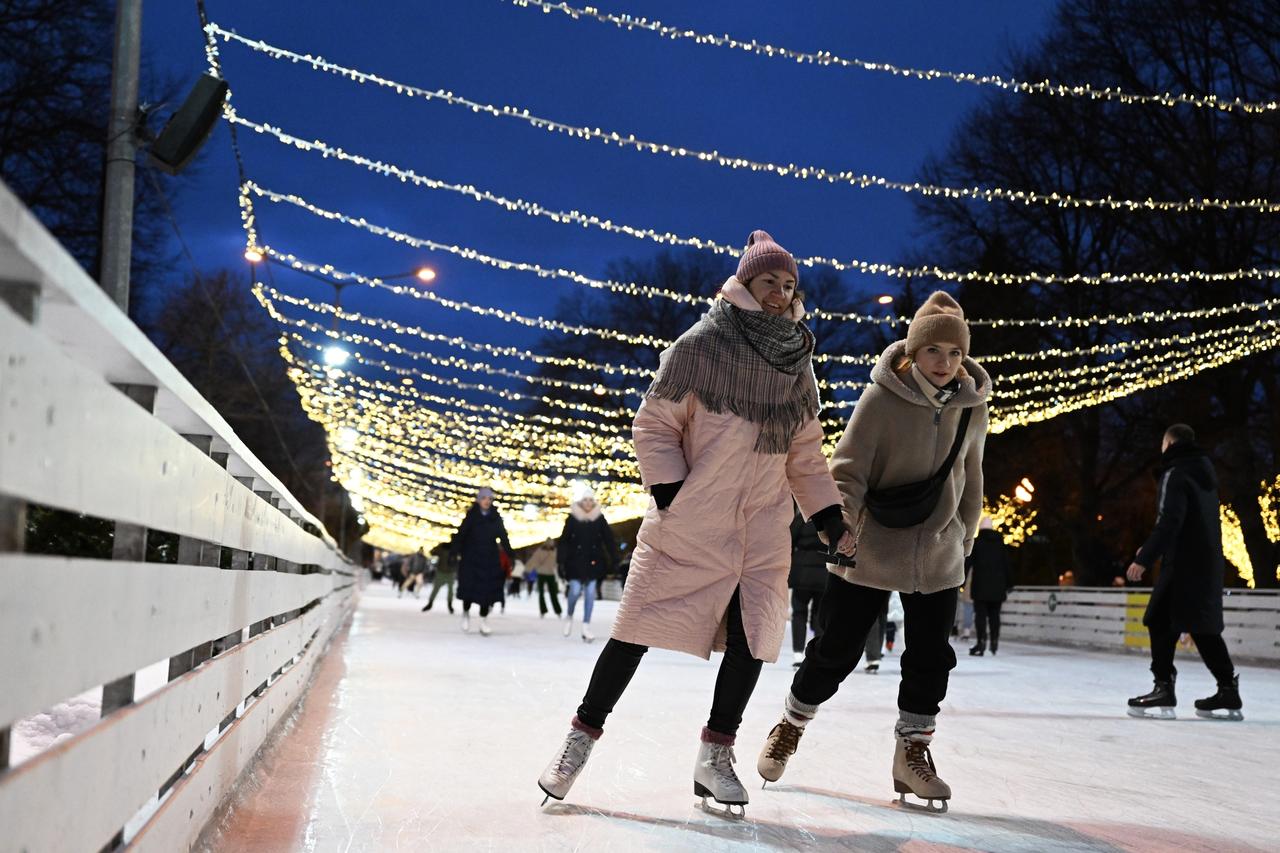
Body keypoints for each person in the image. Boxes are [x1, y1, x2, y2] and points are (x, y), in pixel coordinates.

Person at [537, 231, 848, 816]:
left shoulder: (798, 363)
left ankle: (716, 757)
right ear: (745, 283)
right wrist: (672, 492)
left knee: (751, 640)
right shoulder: (701, 345)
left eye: (788, 285)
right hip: (690, 523)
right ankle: (578, 740)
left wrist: (829, 517)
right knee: (632, 632)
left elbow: (805, 455)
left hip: (761, 530)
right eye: (769, 282)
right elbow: (655, 425)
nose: (780, 293)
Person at [756, 290, 990, 813]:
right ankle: (791, 723)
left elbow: (972, 474)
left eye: (954, 353)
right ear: (914, 351)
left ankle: (912, 753)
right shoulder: (882, 399)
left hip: (939, 549)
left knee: (930, 657)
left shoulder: (973, 407)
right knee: (836, 649)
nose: (945, 363)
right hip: (870, 544)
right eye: (934, 351)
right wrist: (840, 526)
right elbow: (848, 470)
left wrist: (967, 535)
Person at [1126, 424, 1243, 721]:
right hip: (1207, 563)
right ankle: (1227, 689)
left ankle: (1163, 687)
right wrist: (1151, 547)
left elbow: (1170, 520)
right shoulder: (1204, 474)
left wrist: (1145, 557)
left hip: (1182, 565)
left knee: (1158, 619)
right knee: (1201, 626)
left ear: (1168, 443)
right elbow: (1190, 522)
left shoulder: (1175, 473)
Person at [558, 488, 616, 643]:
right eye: (585, 500)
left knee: (590, 593)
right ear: (581, 502)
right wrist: (561, 561)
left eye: (591, 500)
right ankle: (569, 615)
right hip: (575, 562)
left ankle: (586, 626)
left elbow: (609, 539)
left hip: (593, 562)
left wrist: (614, 558)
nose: (588, 503)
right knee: (575, 591)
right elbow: (564, 540)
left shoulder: (599, 518)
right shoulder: (572, 518)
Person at [453, 487, 513, 637]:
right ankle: (466, 613)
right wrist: (454, 552)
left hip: (489, 559)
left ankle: (483, 620)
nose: (487, 501)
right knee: (469, 589)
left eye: (490, 499)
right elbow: (461, 535)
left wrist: (511, 554)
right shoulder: (471, 516)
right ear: (479, 500)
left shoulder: (495, 517)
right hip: (471, 558)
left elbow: (503, 537)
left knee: (487, 591)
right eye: (484, 498)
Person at [788, 507, 829, 668]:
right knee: (819, 614)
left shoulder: (802, 520)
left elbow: (789, 541)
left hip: (801, 574)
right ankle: (816, 651)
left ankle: (798, 652)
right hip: (823, 573)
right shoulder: (829, 521)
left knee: (799, 613)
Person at [968, 517, 1014, 656]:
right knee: (995, 616)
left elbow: (968, 563)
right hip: (997, 587)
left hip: (980, 586)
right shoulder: (1000, 544)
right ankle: (994, 641)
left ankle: (981, 641)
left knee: (980, 616)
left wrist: (961, 582)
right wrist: (1009, 584)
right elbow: (1007, 565)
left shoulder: (976, 543)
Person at [527, 538, 563, 618]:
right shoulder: (540, 551)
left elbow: (557, 562)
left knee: (553, 593)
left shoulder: (555, 551)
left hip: (550, 574)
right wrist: (529, 569)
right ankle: (543, 610)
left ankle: (558, 611)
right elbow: (534, 560)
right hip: (541, 573)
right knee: (541, 593)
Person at [422, 539, 456, 614]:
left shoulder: (445, 547)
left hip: (445, 571)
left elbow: (432, 552)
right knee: (447, 589)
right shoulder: (454, 547)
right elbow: (433, 552)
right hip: (447, 571)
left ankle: (431, 603)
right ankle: (448, 605)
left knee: (438, 589)